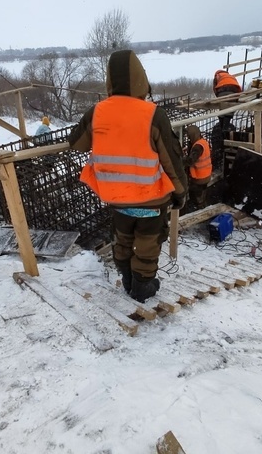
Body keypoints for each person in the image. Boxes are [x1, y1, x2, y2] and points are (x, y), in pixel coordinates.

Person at [68, 50, 188, 302]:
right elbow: (171, 160)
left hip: (117, 198)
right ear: (141, 80)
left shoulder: (97, 112)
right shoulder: (153, 114)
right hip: (151, 199)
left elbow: (76, 143)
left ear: (110, 81)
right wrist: (180, 193)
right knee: (148, 242)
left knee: (122, 239)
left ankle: (127, 278)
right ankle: (142, 286)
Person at [183, 125, 212, 211]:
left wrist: (180, 160)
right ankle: (202, 208)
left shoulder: (197, 147)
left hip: (199, 177)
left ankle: (198, 210)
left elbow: (191, 160)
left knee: (196, 196)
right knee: (201, 194)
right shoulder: (202, 142)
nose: (188, 138)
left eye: (188, 136)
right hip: (206, 175)